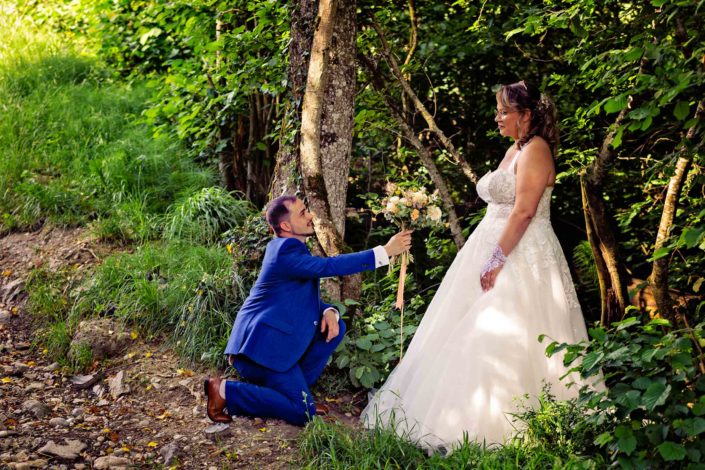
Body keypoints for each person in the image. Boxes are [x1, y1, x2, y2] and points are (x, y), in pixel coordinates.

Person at [361, 80, 596, 450]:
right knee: (461, 329)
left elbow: (523, 212)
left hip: (520, 252)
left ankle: (509, 424)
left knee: (505, 330)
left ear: (527, 115)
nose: (498, 117)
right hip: (487, 247)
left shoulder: (537, 150)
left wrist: (497, 259)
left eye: (505, 111)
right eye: (498, 110)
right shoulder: (515, 148)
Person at [203, 195, 412, 425]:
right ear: (285, 226)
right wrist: (384, 251)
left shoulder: (290, 249)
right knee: (302, 414)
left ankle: (301, 396)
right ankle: (224, 391)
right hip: (259, 351)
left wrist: (328, 311)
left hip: (272, 346)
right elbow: (328, 266)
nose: (311, 216)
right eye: (303, 213)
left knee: (336, 325)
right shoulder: (285, 251)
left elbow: (295, 298)